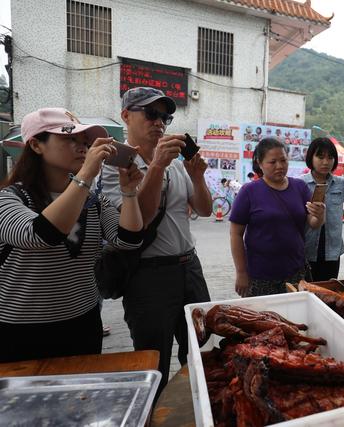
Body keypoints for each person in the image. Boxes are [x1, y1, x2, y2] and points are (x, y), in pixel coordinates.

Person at [0, 108, 144, 363]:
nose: (82, 147)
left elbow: (128, 240)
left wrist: (129, 192)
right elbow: (40, 235)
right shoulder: (9, 199)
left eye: (85, 142)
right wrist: (86, 175)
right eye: (70, 139)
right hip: (18, 328)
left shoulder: (93, 200)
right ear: (35, 145)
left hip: (82, 321)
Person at [101, 87, 212, 391]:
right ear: (126, 115)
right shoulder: (115, 165)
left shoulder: (176, 163)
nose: (159, 122)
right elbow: (139, 222)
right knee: (153, 360)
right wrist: (157, 166)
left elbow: (205, 209)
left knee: (202, 351)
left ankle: (199, 411)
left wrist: (198, 176)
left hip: (189, 266)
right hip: (148, 276)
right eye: (150, 113)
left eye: (165, 116)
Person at [229, 138, 325, 297]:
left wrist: (320, 215)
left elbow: (313, 223)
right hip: (260, 276)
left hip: (295, 272)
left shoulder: (299, 187)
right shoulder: (249, 191)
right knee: (264, 319)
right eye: (272, 162)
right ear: (260, 163)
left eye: (283, 160)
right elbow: (235, 234)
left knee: (295, 318)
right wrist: (241, 272)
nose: (279, 166)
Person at [301, 138, 344, 281]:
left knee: (328, 293)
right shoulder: (300, 184)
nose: (326, 162)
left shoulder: (341, 184)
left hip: (332, 252)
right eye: (320, 157)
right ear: (311, 158)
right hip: (305, 250)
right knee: (306, 293)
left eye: (330, 157)